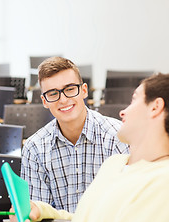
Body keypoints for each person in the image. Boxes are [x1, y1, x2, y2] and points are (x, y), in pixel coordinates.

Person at [11, 72, 169, 222]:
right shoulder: (115, 164)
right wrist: (42, 209)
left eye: (134, 100)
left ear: (155, 107)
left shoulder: (163, 184)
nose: (123, 112)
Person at [21, 57, 129, 212]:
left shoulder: (118, 137)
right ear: (44, 101)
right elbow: (39, 217)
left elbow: (126, 208)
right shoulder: (34, 148)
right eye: (52, 93)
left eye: (70, 89)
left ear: (84, 90)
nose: (63, 99)